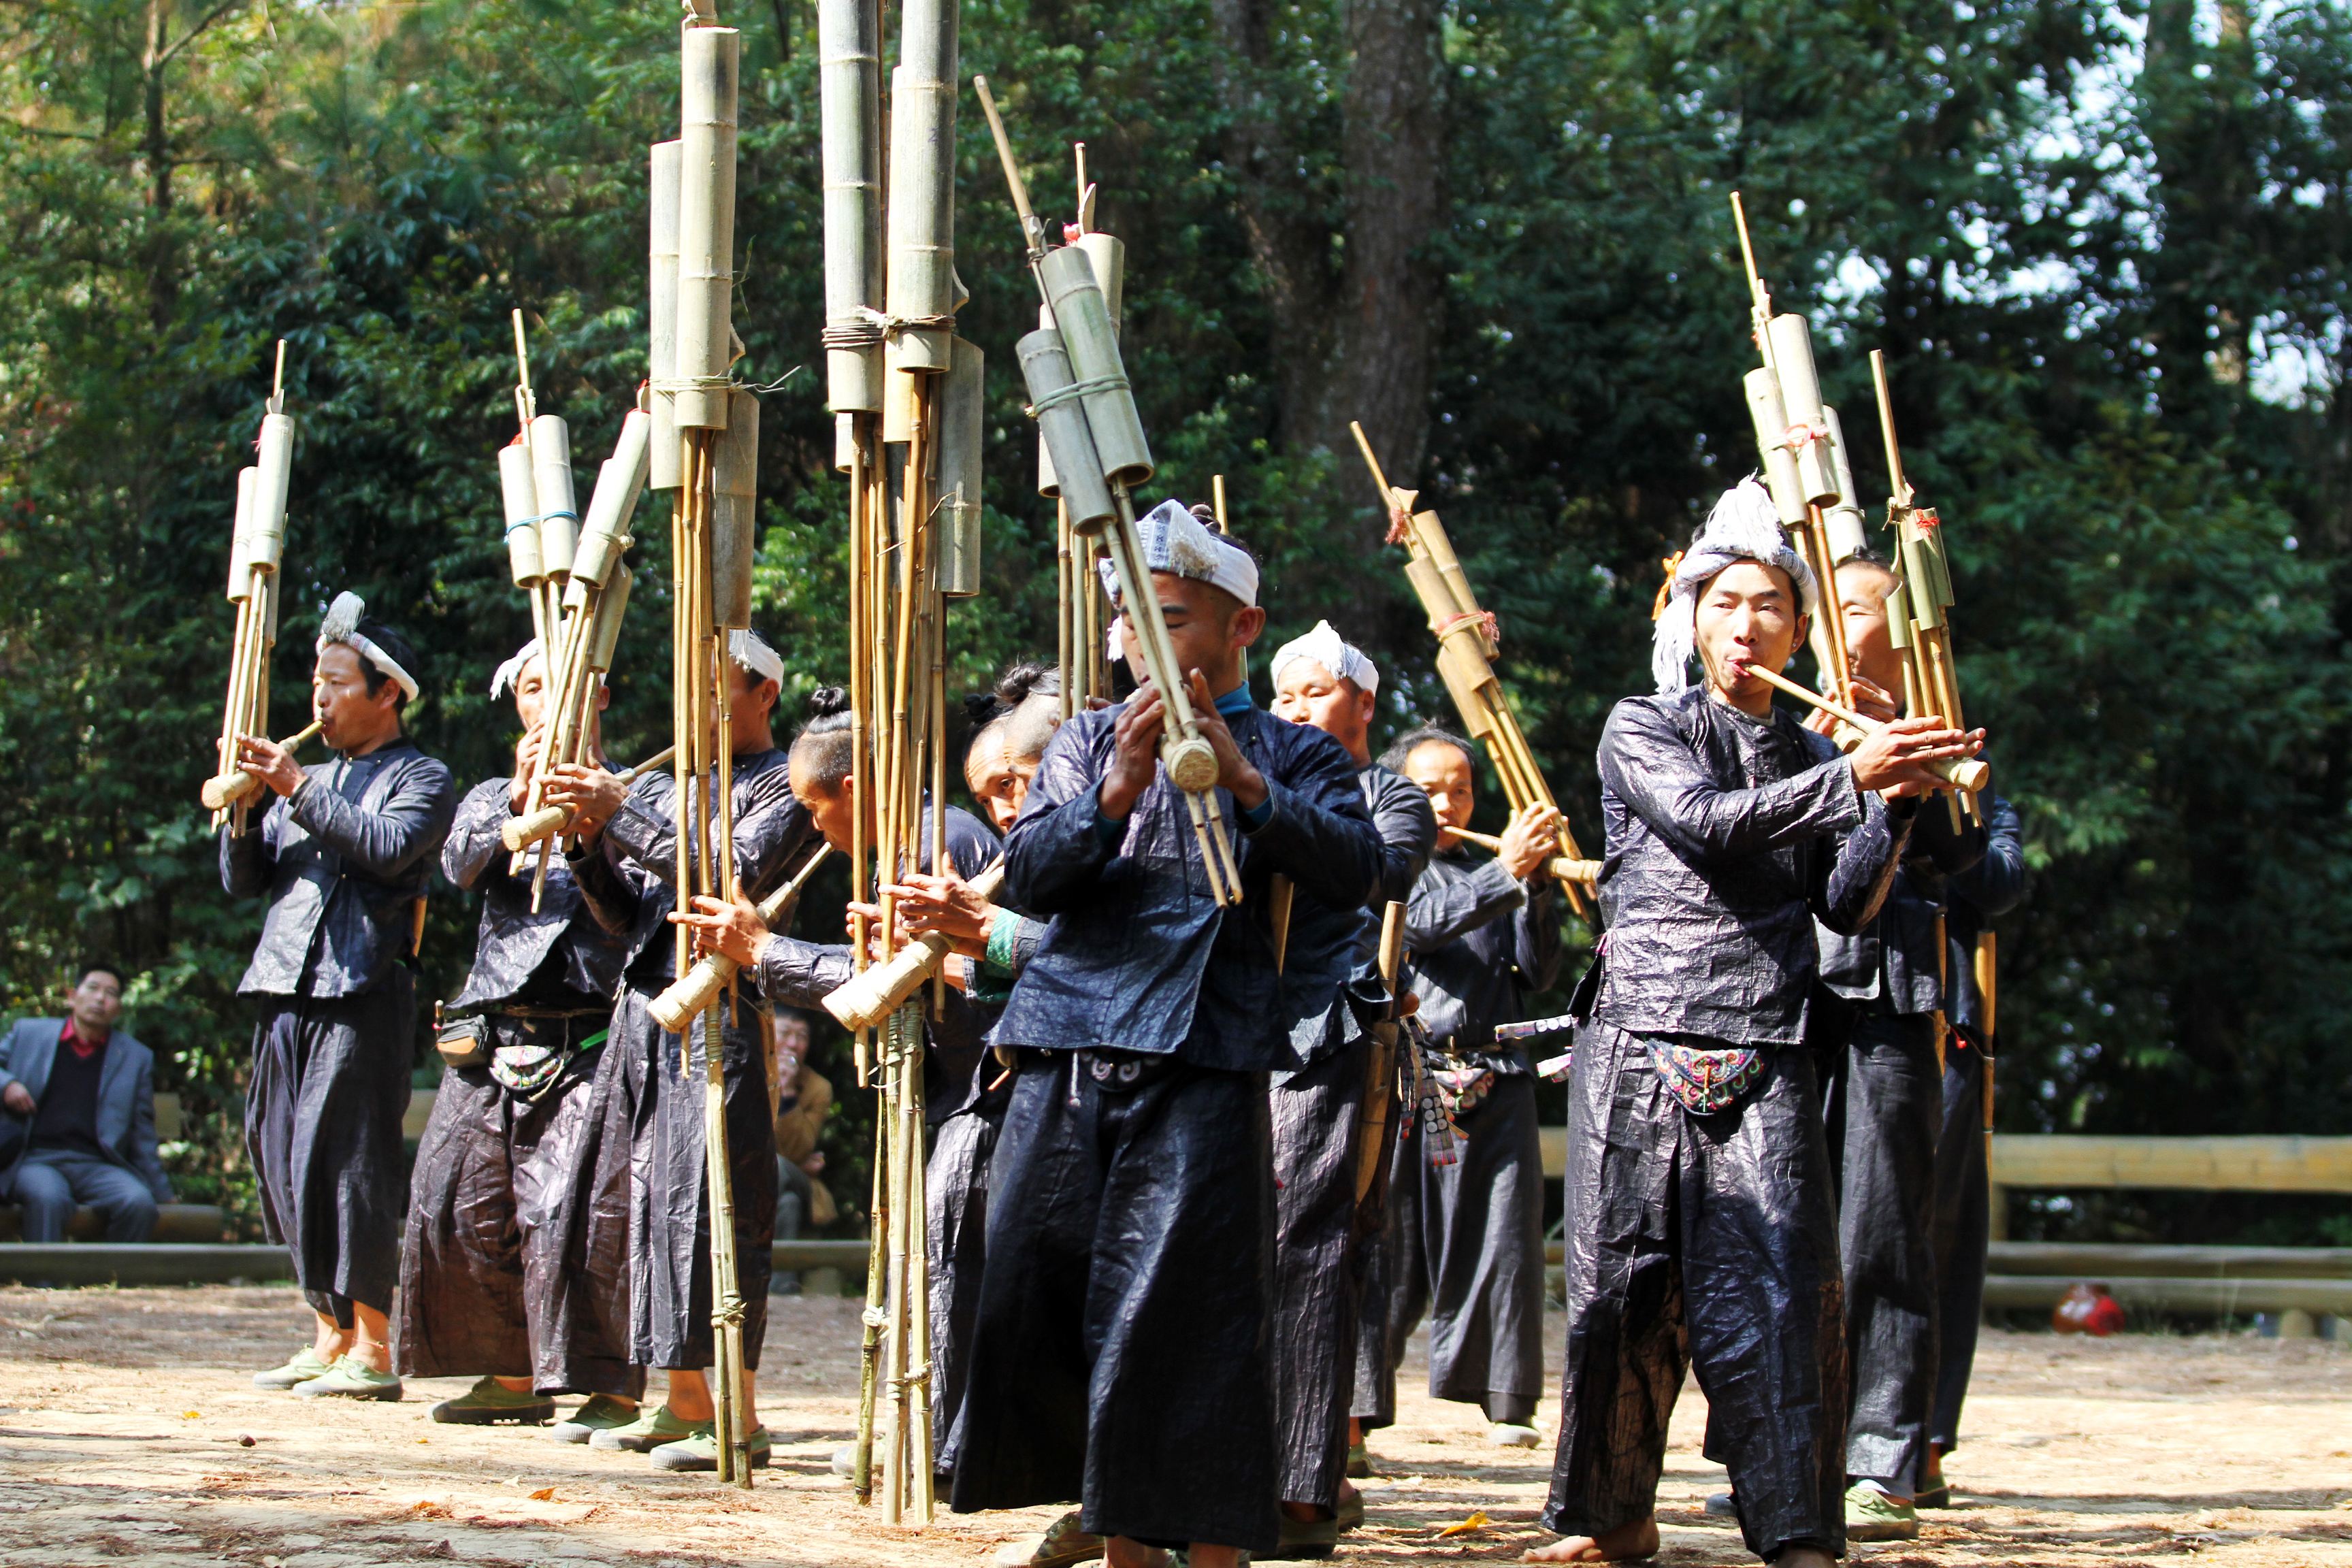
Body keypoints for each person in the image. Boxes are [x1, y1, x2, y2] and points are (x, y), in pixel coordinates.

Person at [1525, 480, 1979, 1567]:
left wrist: (1901, 804)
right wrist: (1853, 783)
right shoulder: (1642, 727)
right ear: (1691, 618)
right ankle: (1610, 1515)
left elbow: (1844, 904)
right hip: (1639, 1034)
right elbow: (1705, 824)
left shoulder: (1821, 759)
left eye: (1770, 606)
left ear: (1798, 628)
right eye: (1726, 604)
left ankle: (1796, 1528)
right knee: (1620, 1289)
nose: (1747, 625)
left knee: (1784, 1291)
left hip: (1767, 1044)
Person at [947, 501, 1383, 1568]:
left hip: (1207, 1051)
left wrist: (1247, 785)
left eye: (1170, 616)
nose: (1138, 638)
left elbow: (1360, 871)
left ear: (1243, 628)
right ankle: (1117, 1536)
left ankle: (1213, 1543)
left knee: (1188, 1312)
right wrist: (1113, 793)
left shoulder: (1296, 754)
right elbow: (1040, 880)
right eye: (1128, 618)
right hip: (1070, 1046)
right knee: (1038, 1285)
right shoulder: (1089, 738)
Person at [672, 682, 1002, 1490]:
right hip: (949, 1085)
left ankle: (943, 1440)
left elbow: (920, 988)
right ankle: (923, 1431)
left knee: (953, 1261)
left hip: (982, 1089)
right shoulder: (909, 847)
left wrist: (761, 953)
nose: (815, 829)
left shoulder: (939, 846)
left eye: (816, 811)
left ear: (853, 789)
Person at [549, 629, 812, 1471]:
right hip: (644, 1006)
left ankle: (737, 1412)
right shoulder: (666, 784)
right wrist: (588, 842)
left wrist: (622, 813)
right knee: (652, 1205)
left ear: (762, 694)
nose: (692, 707)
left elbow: (731, 874)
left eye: (713, 688)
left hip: (726, 1007)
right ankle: (681, 1399)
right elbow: (629, 916)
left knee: (717, 1203)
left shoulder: (789, 786)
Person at [1801, 557, 2006, 1542]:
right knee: (1785, 1231)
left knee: (1887, 1232)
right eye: (1824, 609)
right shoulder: (1784, 730)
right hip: (1789, 1001)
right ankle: (1792, 1451)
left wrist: (1923, 799)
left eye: (1856, 608)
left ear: (1905, 623)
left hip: (1897, 997)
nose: (1837, 626)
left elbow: (1997, 882)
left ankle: (1885, 1455)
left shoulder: (1951, 735)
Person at [394, 639, 640, 1437]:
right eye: (532, 689)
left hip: (592, 1031)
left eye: (560, 688)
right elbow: (461, 867)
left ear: (596, 696)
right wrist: (517, 805)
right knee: (459, 1199)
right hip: (493, 1030)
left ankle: (614, 1384)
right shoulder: (488, 794)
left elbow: (630, 907)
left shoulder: (636, 793)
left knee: (586, 1212)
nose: (547, 702)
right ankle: (511, 1373)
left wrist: (592, 823)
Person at [223, 593, 456, 1401]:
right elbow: (244, 882)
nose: (318, 699)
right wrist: (246, 815)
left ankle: (376, 1344)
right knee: (280, 1152)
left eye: (335, 682)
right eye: (314, 683)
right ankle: (327, 1332)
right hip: (285, 984)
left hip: (362, 987)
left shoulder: (422, 775)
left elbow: (390, 851)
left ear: (385, 692)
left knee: (350, 1161)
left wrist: (292, 789)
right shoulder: (310, 778)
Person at [1262, 621, 1437, 1555]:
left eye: (1315, 694)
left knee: (1318, 1249)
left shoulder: (1390, 795)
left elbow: (1387, 871)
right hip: (1246, 1034)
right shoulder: (1257, 779)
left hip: (1337, 1040)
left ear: (1363, 703)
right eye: (1283, 696)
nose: (1293, 710)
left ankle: (1306, 1481)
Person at [1369, 725, 1563, 1451]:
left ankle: (1507, 1403)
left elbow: (1539, 973)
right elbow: (1415, 931)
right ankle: (1355, 1412)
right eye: (1430, 790)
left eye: (1462, 789)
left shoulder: (1501, 872)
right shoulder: (1388, 865)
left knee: (1505, 1241)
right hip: (1409, 1078)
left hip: (1497, 1076)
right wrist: (1505, 872)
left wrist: (1537, 886)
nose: (1449, 803)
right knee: (1389, 1246)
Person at [1923, 794, 2023, 1507]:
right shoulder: (1808, 753)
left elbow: (2002, 883)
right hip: (1828, 1022)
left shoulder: (1973, 793)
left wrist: (1939, 807)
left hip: (1942, 1036)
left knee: (1939, 1235)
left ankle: (1919, 1445)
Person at [0, 965, 173, 1245]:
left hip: (96, 1164)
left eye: (111, 993)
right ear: (72, 996)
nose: (100, 999)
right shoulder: (29, 1034)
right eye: (92, 988)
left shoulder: (135, 1057)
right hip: (36, 1159)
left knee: (138, 1202)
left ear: (118, 1009)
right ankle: (44, 1285)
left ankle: (114, 1283)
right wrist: (7, 1085)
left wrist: (163, 1194)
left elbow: (143, 1134)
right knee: (48, 1197)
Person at [767, 1007, 835, 1296]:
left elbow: (799, 1148)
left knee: (780, 1168)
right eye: (785, 1034)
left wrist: (788, 1093)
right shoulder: (745, 1070)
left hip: (792, 1175)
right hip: (756, 1178)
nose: (793, 1044)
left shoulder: (818, 1088)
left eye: (802, 1036)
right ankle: (782, 1289)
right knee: (788, 1203)